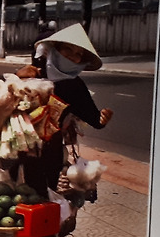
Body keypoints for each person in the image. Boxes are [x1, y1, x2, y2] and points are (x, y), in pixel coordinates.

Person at [19, 22, 113, 204]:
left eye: (78, 54)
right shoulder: (32, 74)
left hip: (51, 152)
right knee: (17, 200)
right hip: (19, 149)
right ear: (55, 49)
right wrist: (17, 78)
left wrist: (103, 119)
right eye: (67, 50)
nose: (72, 56)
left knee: (44, 201)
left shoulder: (74, 85)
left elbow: (94, 119)